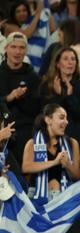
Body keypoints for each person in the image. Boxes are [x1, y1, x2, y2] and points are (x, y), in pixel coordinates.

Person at [21, 103, 80, 204]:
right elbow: (26, 167)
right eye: (61, 118)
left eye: (66, 119)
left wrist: (67, 165)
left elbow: (77, 176)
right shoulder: (32, 143)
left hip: (63, 196)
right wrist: (54, 162)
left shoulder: (72, 143)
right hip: (37, 196)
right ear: (48, 120)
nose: (66, 122)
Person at [39, 46, 80, 152]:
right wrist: (59, 96)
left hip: (77, 141)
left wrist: (69, 97)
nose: (70, 62)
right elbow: (45, 115)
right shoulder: (47, 87)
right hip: (53, 142)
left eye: (73, 59)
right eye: (66, 59)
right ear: (58, 64)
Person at [0, 32, 41, 165]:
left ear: (26, 51)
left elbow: (37, 108)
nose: (17, 51)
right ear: (6, 49)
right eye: (13, 47)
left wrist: (22, 98)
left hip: (25, 132)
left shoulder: (33, 77)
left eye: (22, 48)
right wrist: (9, 97)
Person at [3, 0, 56, 73]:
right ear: (13, 14)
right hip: (12, 66)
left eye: (24, 10)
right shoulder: (9, 26)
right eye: (18, 11)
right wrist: (38, 15)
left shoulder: (31, 24)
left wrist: (47, 10)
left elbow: (52, 28)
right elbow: (25, 36)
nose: (21, 13)